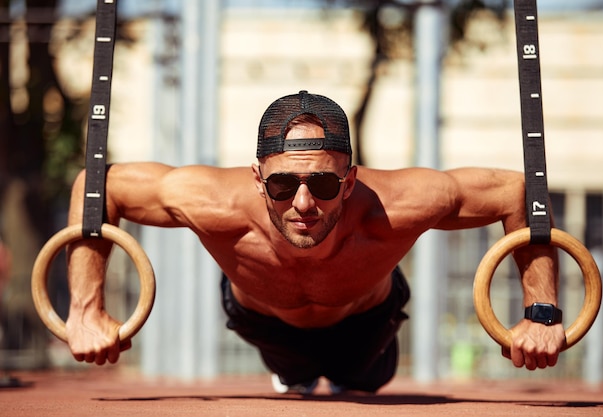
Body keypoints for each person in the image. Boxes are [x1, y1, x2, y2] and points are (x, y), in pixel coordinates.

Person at [65, 90, 565, 393]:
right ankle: (295, 373)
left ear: (348, 181)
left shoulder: (398, 203)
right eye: (283, 186)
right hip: (265, 321)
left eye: (324, 185)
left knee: (363, 383)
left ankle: (333, 373)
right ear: (259, 178)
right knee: (293, 371)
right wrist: (86, 308)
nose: (303, 203)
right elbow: (98, 185)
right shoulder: (210, 199)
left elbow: (514, 191)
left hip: (366, 324)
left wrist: (541, 312)